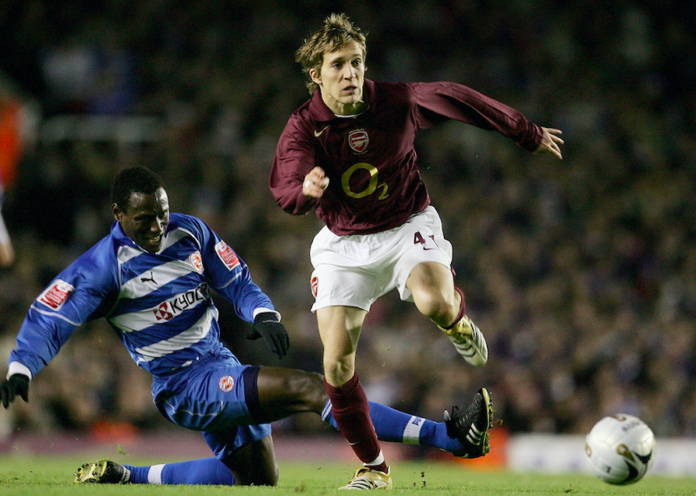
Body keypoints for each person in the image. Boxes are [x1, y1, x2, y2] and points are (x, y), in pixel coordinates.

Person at [0, 166, 492, 487]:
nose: (156, 226)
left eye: (161, 214)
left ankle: (127, 476)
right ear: (118, 214)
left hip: (220, 362)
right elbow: (51, 314)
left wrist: (262, 313)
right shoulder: (103, 268)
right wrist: (23, 364)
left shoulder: (188, 231)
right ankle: (451, 437)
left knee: (257, 479)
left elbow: (234, 278)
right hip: (182, 385)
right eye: (144, 219)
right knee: (311, 388)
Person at [270, 13, 563, 489]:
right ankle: (374, 468)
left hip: (406, 225)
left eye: (357, 62)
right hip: (343, 244)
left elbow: (457, 98)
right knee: (335, 364)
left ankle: (457, 322)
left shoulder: (396, 101)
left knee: (434, 302)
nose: (350, 73)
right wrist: (305, 191)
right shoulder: (304, 126)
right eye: (338, 65)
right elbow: (285, 183)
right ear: (316, 75)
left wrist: (523, 131)